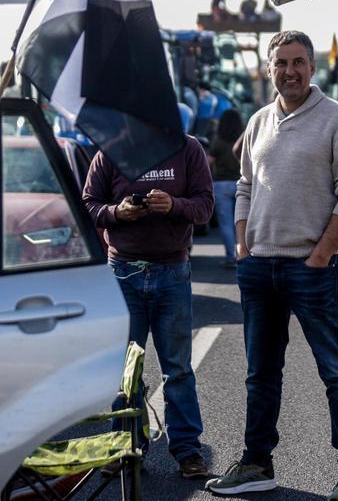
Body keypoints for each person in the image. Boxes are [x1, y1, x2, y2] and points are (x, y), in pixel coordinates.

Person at [205, 31, 338, 501]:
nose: (290, 71)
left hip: (313, 269)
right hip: (260, 269)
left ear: (313, 67)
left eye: (298, 62)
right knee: (260, 374)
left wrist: (320, 255)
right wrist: (242, 244)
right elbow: (242, 186)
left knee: (336, 372)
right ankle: (257, 463)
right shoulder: (258, 122)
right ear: (269, 68)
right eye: (281, 63)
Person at [82, 128, 215, 480]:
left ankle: (188, 451)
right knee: (125, 369)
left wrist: (174, 206)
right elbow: (89, 205)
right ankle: (125, 447)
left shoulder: (188, 148)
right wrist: (118, 212)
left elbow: (205, 206)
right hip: (122, 272)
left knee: (178, 369)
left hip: (172, 271)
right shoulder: (110, 151)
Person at [207, 108, 244, 267]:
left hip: (220, 184)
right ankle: (243, 254)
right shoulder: (244, 138)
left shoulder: (218, 140)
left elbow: (208, 162)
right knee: (242, 221)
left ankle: (231, 256)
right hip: (242, 183)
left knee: (226, 223)